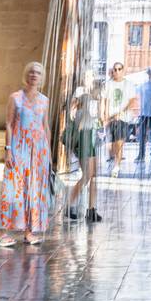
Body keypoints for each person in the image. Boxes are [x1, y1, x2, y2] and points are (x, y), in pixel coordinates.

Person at [0, 61, 51, 246]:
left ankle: (29, 231)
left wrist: (48, 152)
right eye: (31, 72)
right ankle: (0, 234)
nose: (34, 75)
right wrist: (8, 150)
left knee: (33, 190)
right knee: (13, 189)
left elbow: (46, 125)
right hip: (19, 148)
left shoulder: (44, 100)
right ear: (26, 75)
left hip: (38, 150)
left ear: (42, 78)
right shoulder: (16, 98)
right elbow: (9, 124)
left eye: (38, 73)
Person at [68, 84, 102, 223]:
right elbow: (79, 133)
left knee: (92, 176)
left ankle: (92, 209)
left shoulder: (86, 114)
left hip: (90, 147)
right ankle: (70, 204)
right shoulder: (81, 114)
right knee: (87, 176)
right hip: (85, 148)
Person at [102, 61, 138, 177]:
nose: (117, 71)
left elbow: (132, 101)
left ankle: (117, 166)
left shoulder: (129, 84)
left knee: (119, 142)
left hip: (122, 118)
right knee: (110, 145)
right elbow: (105, 100)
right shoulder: (108, 84)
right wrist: (104, 116)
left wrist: (122, 112)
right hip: (110, 118)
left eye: (119, 69)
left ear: (123, 70)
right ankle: (115, 161)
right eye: (115, 69)